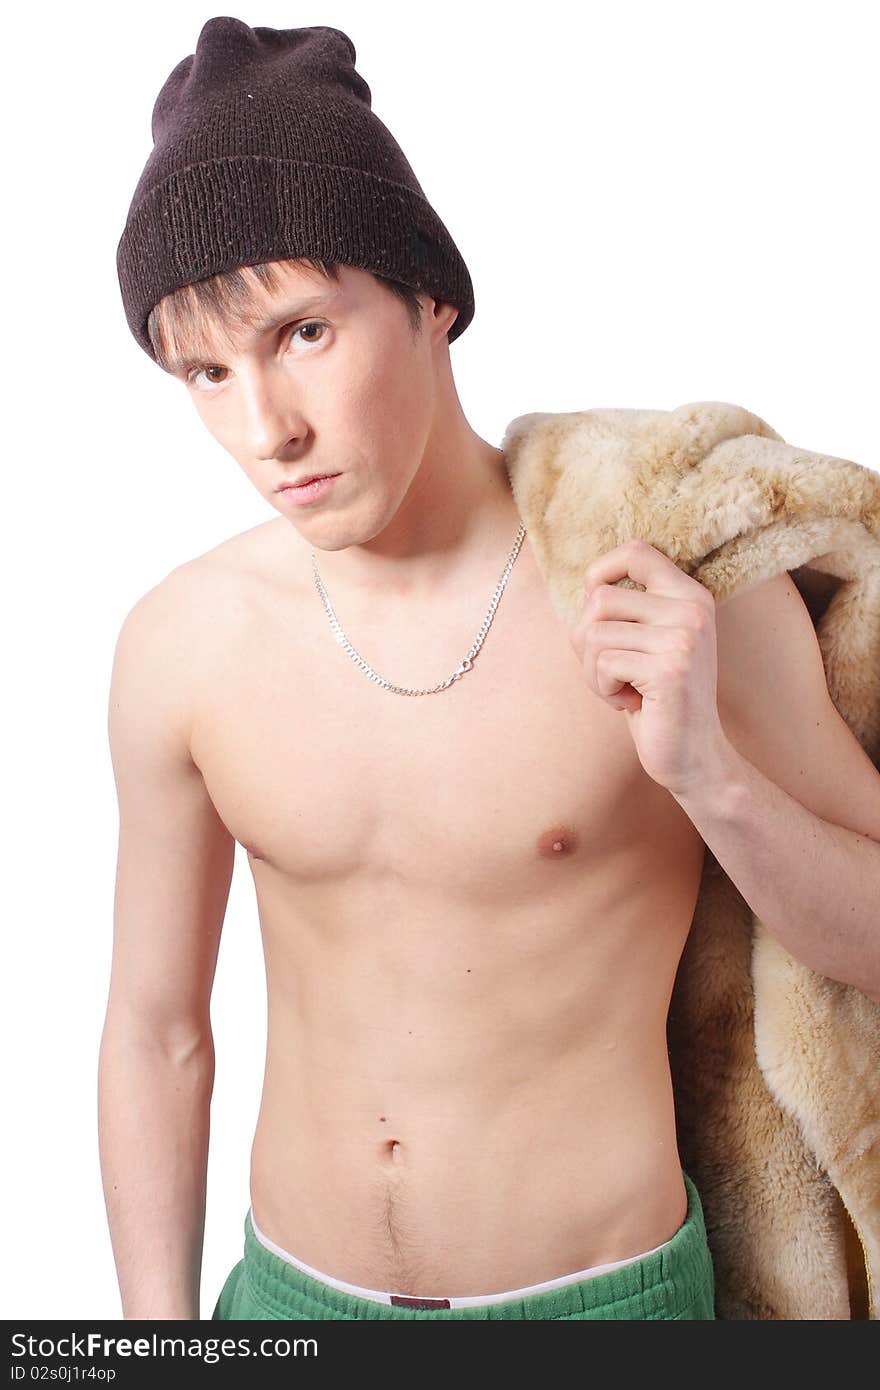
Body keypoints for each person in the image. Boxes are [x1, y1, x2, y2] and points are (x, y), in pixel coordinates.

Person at [100, 16, 719, 1320]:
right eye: (206, 372)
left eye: (304, 335)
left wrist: (717, 780)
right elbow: (159, 1032)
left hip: (601, 1307)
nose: (265, 427)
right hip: (286, 1304)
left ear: (430, 295)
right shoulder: (185, 641)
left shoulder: (655, 581)